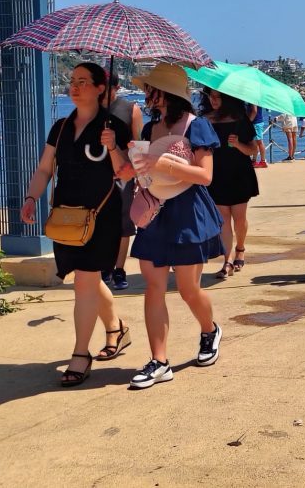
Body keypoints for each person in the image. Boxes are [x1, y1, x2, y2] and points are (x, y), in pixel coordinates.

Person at [20, 62, 133, 387]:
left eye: (83, 81)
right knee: (88, 279)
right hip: (67, 216)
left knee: (85, 280)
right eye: (72, 80)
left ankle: (80, 354)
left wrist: (112, 146)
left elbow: (126, 172)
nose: (75, 86)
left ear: (100, 88)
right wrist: (31, 197)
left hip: (100, 216)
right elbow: (45, 168)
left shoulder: (114, 127)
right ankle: (116, 329)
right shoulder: (61, 127)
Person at [126, 64, 225, 388]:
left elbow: (205, 176)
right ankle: (159, 361)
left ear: (166, 92)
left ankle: (210, 330)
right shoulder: (148, 129)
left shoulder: (197, 126)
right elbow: (144, 174)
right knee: (153, 287)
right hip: (155, 212)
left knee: (187, 289)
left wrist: (163, 163)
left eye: (150, 89)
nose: (146, 94)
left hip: (188, 213)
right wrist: (129, 162)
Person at [200, 88, 259, 277]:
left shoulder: (240, 119)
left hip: (239, 173)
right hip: (216, 175)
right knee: (223, 220)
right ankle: (228, 261)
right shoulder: (204, 120)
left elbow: (253, 150)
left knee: (239, 218)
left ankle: (240, 249)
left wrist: (238, 144)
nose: (213, 100)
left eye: (218, 97)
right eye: (210, 96)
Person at [102, 70, 145, 290]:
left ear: (116, 88)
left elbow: (138, 145)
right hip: (97, 175)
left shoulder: (131, 110)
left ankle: (119, 269)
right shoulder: (89, 109)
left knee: (123, 224)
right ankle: (104, 266)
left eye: (106, 87)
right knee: (100, 222)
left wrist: (138, 174)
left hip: (123, 174)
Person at [247, 104, 268, 168]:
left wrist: (248, 122)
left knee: (259, 142)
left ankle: (263, 161)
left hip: (256, 123)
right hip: (256, 122)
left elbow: (254, 111)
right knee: (255, 142)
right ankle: (254, 160)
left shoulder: (253, 100)